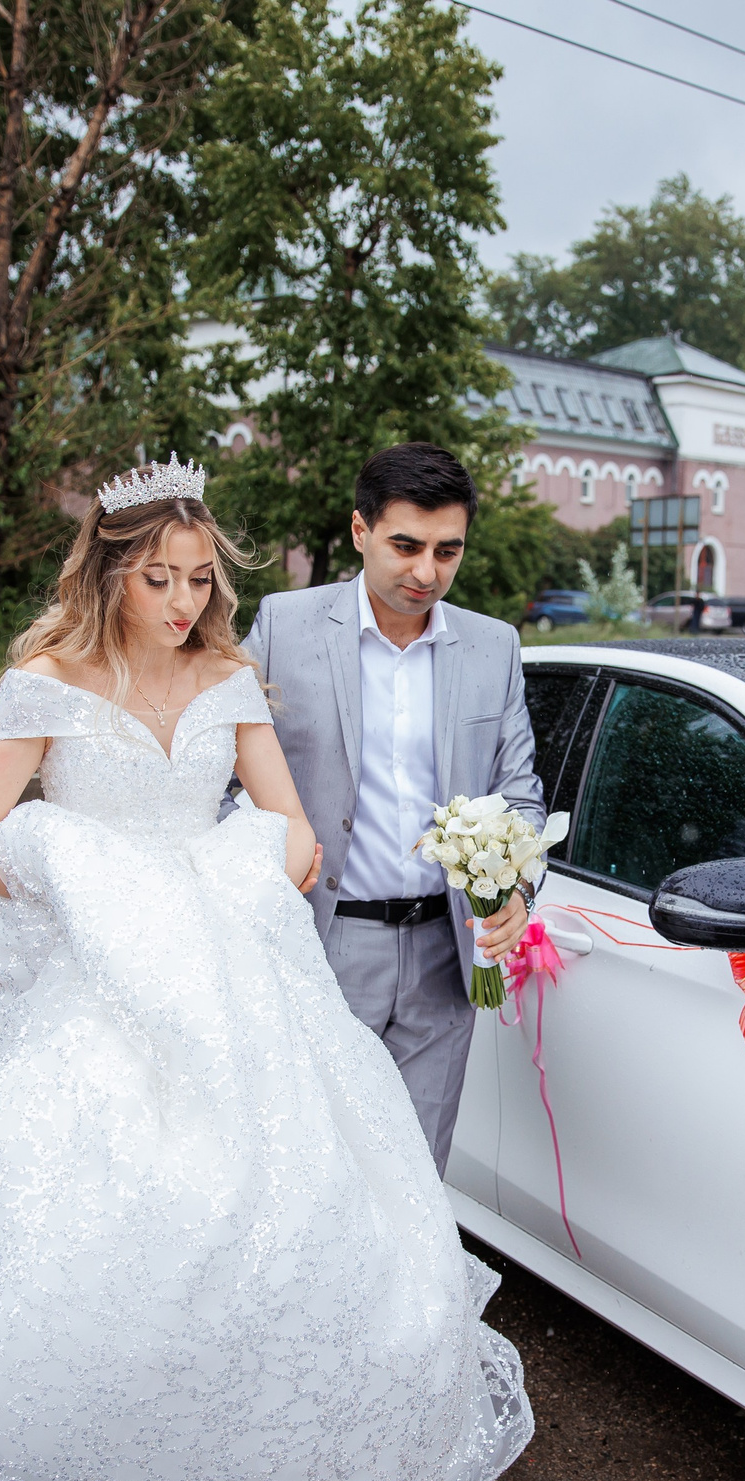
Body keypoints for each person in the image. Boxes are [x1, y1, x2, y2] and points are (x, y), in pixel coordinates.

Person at [0, 458, 532, 1481]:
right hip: (98, 992)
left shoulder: (231, 679)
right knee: (98, 1225)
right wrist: (74, 869)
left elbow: (289, 826)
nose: (183, 601)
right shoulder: (45, 682)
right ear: (110, 573)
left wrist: (263, 865)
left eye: (198, 579)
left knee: (269, 1213)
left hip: (232, 985)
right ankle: (66, 1473)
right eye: (158, 579)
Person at [242, 443, 541, 1178]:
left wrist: (519, 888)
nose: (426, 573)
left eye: (448, 551)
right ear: (359, 531)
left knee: (413, 1176)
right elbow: (221, 774)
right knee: (316, 1169)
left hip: (447, 955)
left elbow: (522, 794)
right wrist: (262, 865)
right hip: (325, 941)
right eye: (406, 545)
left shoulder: (494, 645)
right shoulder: (284, 626)